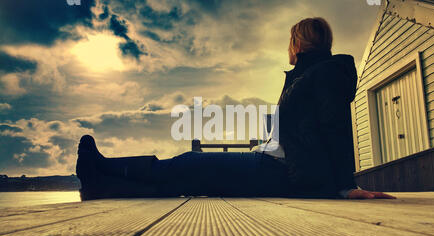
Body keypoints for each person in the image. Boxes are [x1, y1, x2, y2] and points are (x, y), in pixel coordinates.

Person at [76, 17, 396, 201]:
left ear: (298, 44)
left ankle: (104, 167)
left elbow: (335, 127)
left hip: (282, 173)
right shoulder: (309, 75)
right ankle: (100, 184)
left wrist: (345, 186)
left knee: (189, 164)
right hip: (276, 166)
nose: (289, 45)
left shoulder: (322, 74)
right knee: (188, 179)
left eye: (290, 40)